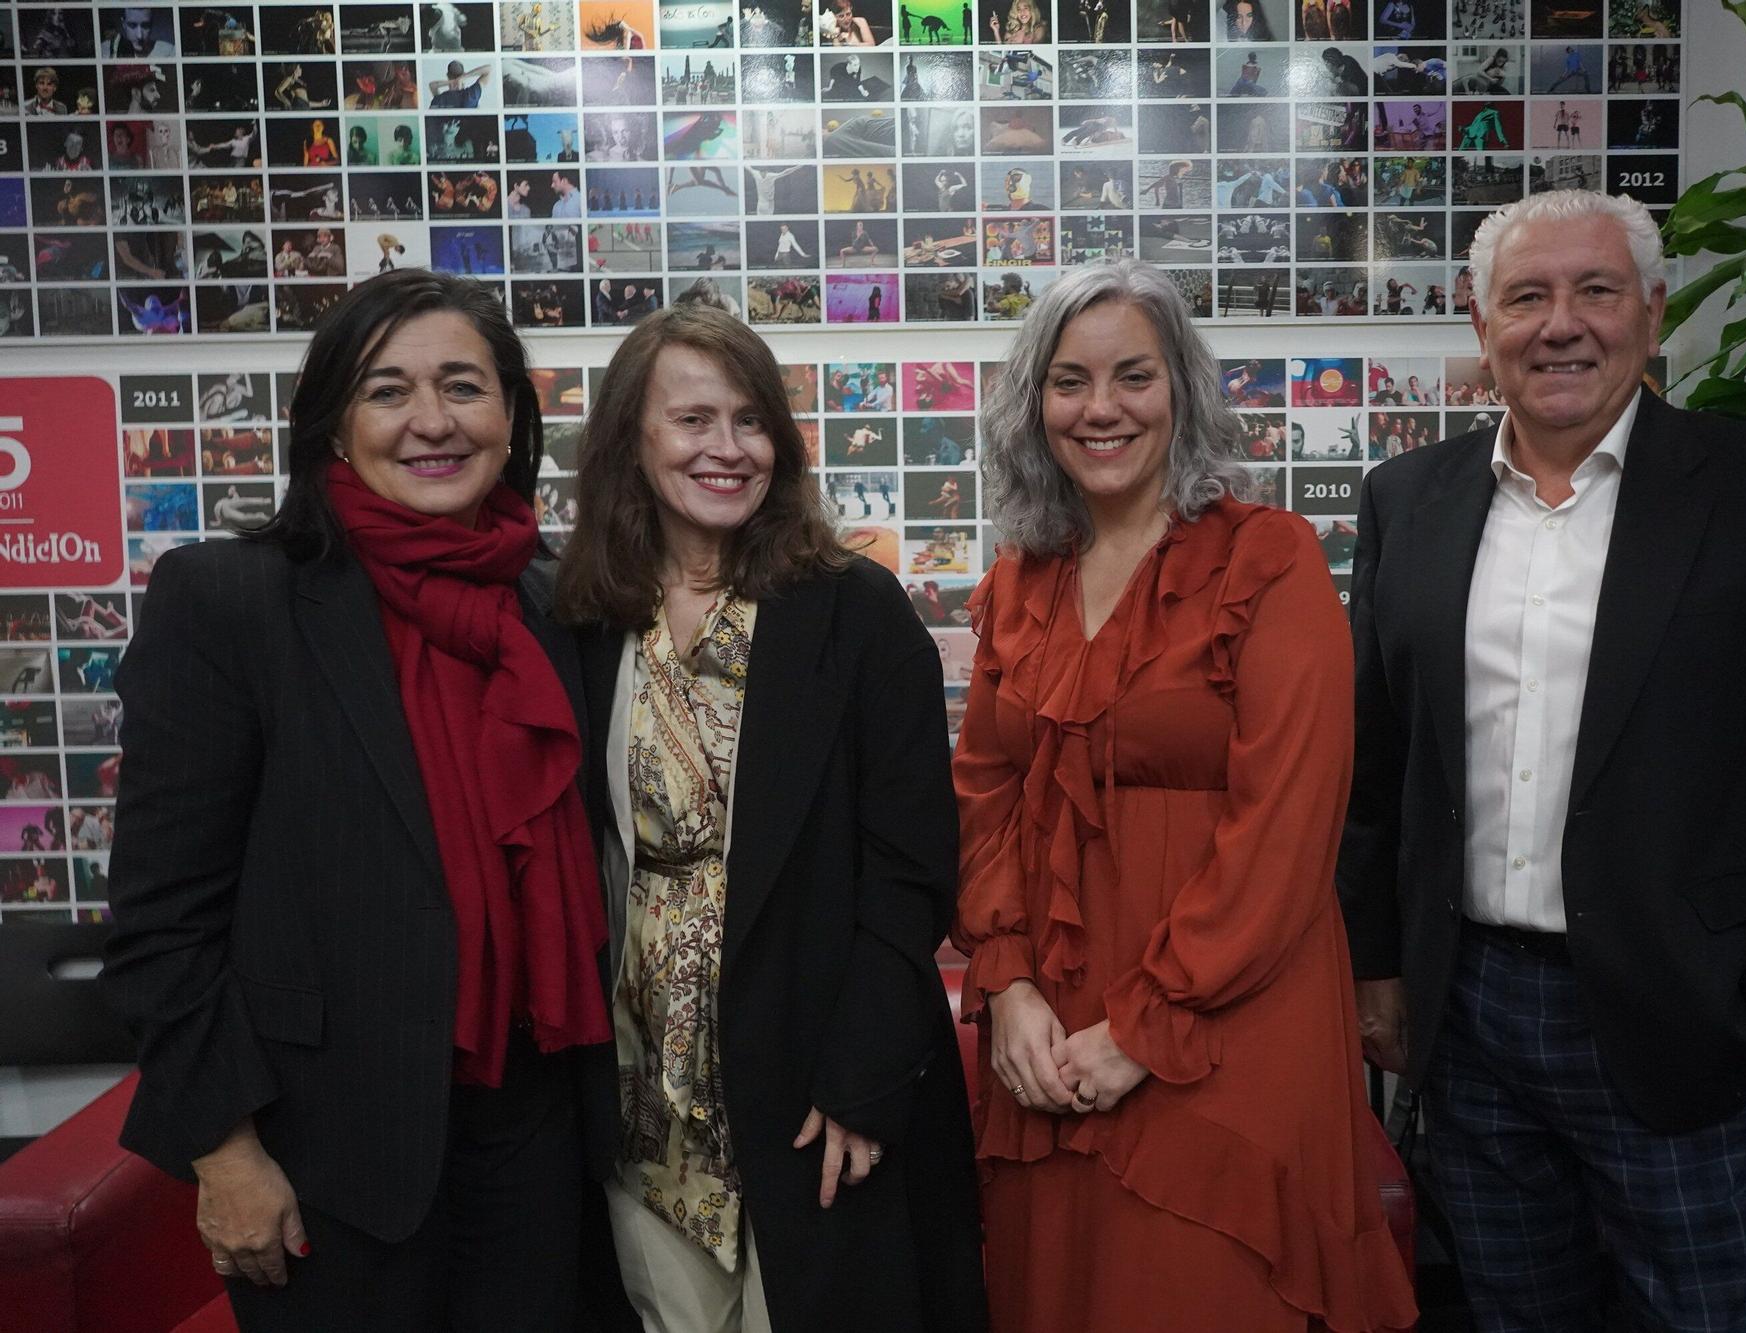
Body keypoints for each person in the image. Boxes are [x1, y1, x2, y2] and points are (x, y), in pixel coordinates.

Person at [1339, 190, 1746, 1331]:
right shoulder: (1408, 499)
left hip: (1677, 1014)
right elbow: (1375, 759)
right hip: (1471, 1016)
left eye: (1594, 291)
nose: (1561, 324)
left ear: (1649, 315)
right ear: (1477, 323)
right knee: (1510, 1310)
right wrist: (1379, 963)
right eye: (1526, 297)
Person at [100, 271, 632, 1327]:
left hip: (538, 1140)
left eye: (463, 387)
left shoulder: (557, 599)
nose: (431, 421)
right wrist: (224, 1150)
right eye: (388, 391)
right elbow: (164, 917)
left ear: (512, 417)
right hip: (322, 1160)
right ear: (333, 427)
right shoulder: (229, 599)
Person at [953, 260, 1416, 1333]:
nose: (1099, 408)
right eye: (1068, 381)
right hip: (1051, 1035)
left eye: (1132, 376)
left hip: (1222, 1029)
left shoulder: (1270, 558)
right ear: (1034, 406)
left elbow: (1287, 827)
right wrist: (1010, 981)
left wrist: (1144, 1025)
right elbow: (980, 792)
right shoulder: (1021, 576)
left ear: (1184, 392)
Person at [556, 304, 987, 1331]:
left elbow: (909, 869)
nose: (727, 448)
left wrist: (863, 1079)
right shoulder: (581, 619)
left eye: (750, 420)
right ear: (630, 437)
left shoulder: (855, 612)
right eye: (692, 418)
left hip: (816, 1100)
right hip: (637, 1105)